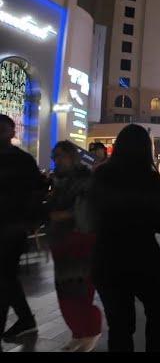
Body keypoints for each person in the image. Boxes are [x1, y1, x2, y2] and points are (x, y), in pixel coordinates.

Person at [89, 124, 160, 352]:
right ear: (146, 148)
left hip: (106, 260)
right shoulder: (149, 178)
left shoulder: (101, 175)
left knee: (120, 326)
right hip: (143, 258)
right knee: (158, 313)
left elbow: (91, 216)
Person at [47, 141, 102, 352]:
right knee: (65, 292)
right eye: (56, 156)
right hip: (61, 241)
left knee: (80, 291)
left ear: (72, 156)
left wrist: (65, 214)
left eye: (62, 155)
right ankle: (79, 331)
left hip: (81, 239)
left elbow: (86, 209)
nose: (59, 160)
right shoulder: (58, 180)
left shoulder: (85, 179)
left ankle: (90, 329)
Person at [0, 114, 46, 341]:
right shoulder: (23, 160)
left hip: (12, 227)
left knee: (5, 276)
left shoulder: (22, 160)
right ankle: (25, 320)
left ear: (11, 133)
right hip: (15, 226)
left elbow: (37, 192)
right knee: (6, 276)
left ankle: (25, 320)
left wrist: (30, 221)